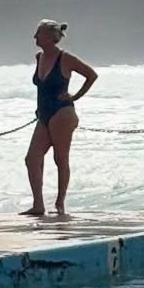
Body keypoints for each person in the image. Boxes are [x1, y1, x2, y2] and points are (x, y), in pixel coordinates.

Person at [22, 19, 98, 218]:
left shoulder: (65, 58)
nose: (34, 37)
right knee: (32, 159)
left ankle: (60, 202)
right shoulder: (39, 57)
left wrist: (75, 96)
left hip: (62, 113)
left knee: (60, 158)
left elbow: (91, 75)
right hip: (44, 115)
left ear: (48, 37)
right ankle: (38, 204)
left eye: (38, 33)